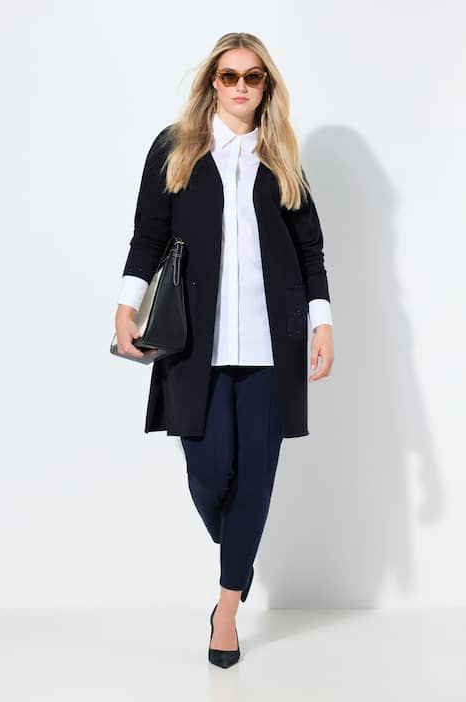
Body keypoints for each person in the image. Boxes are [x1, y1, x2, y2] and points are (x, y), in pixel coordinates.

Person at [114, 32, 334, 668]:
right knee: (209, 473)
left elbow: (310, 249)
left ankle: (227, 609)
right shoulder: (176, 147)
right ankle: (240, 554)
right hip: (194, 344)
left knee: (256, 479)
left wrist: (322, 322)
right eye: (229, 75)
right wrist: (126, 304)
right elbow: (148, 234)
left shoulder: (281, 155)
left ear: (266, 86)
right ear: (213, 81)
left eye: (253, 76)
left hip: (272, 346)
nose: (241, 86)